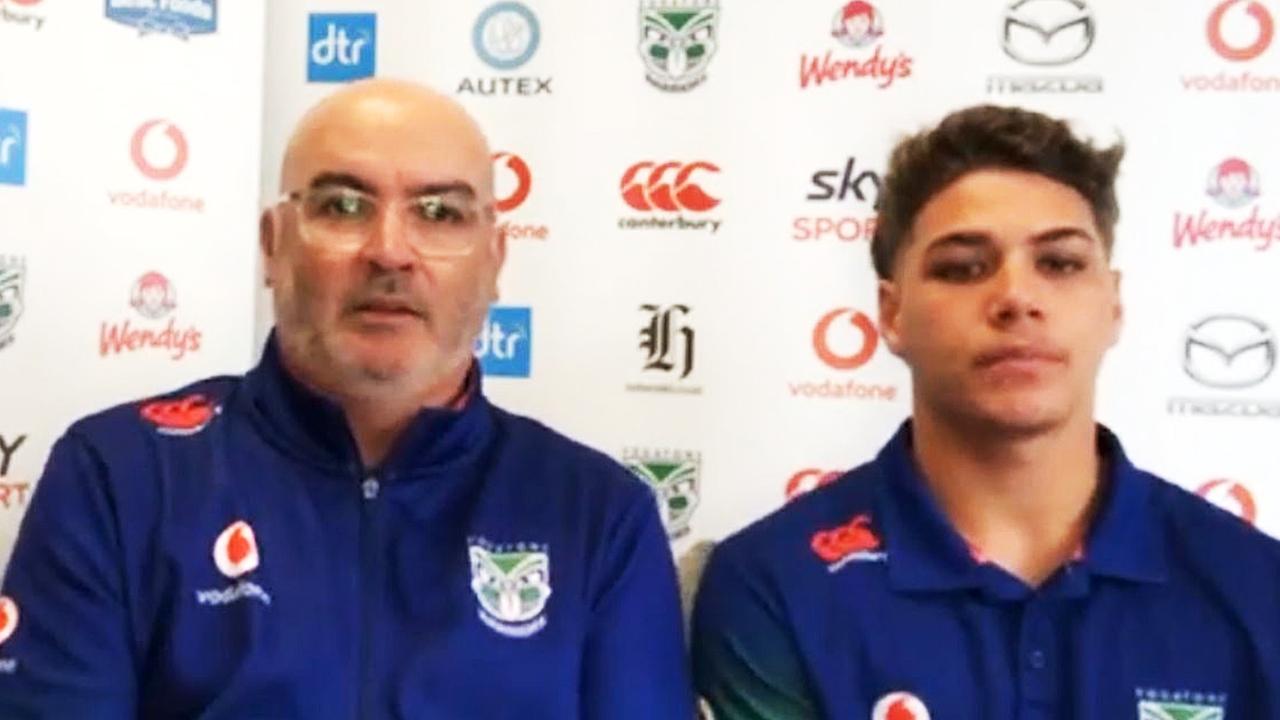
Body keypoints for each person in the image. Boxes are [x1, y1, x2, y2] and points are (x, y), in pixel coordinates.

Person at [0, 79, 693, 719]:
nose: (390, 252)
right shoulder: (118, 477)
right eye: (343, 206)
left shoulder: (600, 516)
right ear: (273, 247)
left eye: (439, 213)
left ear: (493, 262)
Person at [692, 104, 1280, 719]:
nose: (1016, 297)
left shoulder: (1256, 586)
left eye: (1059, 263)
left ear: (1113, 305)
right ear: (892, 315)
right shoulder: (777, 584)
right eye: (964, 267)